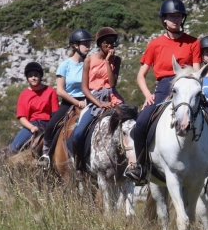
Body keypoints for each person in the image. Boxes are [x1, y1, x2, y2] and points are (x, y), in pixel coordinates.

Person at [124, 0, 208, 185]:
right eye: (171, 16)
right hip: (165, 87)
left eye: (178, 16)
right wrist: (148, 95)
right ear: (164, 19)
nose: (175, 19)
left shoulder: (193, 42)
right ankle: (140, 166)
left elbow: (197, 72)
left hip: (189, 87)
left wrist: (192, 90)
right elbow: (141, 75)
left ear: (183, 19)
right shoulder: (155, 44)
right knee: (140, 124)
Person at [37, 29, 93, 169]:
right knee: (50, 126)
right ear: (75, 45)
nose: (88, 47)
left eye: (88, 44)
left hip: (88, 101)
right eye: (85, 44)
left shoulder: (90, 63)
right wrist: (77, 102)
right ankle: (45, 155)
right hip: (69, 102)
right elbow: (60, 90)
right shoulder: (65, 65)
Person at [70, 27, 125, 163]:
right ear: (100, 44)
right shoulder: (89, 60)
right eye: (106, 42)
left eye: (112, 42)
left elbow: (112, 83)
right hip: (94, 98)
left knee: (129, 124)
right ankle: (79, 164)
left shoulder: (116, 60)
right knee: (78, 133)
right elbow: (84, 88)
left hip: (112, 96)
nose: (110, 45)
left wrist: (107, 62)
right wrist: (99, 104)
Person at [9, 62, 58, 153]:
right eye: (30, 76)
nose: (33, 78)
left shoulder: (50, 91)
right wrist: (32, 127)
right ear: (27, 78)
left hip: (48, 124)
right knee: (14, 148)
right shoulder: (24, 95)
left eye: (36, 75)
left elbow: (55, 113)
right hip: (31, 125)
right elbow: (22, 118)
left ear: (40, 76)